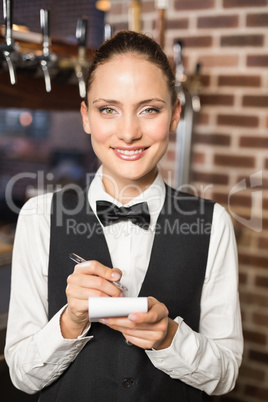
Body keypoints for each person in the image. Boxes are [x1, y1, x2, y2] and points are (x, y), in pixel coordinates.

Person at [5, 31, 243, 402]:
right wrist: (71, 322)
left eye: (149, 109)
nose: (129, 132)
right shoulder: (38, 216)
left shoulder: (214, 223)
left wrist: (168, 337)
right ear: (86, 117)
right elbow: (22, 375)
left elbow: (225, 375)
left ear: (176, 114)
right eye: (108, 109)